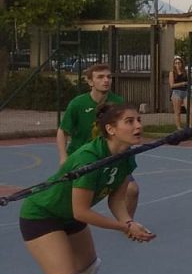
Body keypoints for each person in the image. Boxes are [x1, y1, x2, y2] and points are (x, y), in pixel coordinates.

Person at [18, 103, 155, 274]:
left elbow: (116, 198)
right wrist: (122, 227)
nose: (138, 126)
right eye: (130, 121)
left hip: (67, 215)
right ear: (111, 129)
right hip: (42, 215)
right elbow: (82, 211)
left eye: (139, 120)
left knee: (88, 268)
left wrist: (128, 221)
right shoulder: (88, 158)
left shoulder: (126, 156)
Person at [57, 63, 139, 218]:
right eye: (100, 77)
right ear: (90, 82)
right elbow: (62, 131)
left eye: (108, 77)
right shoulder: (78, 104)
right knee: (70, 199)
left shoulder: (118, 102)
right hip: (82, 159)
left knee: (132, 190)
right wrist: (63, 157)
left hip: (109, 158)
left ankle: (127, 224)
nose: (106, 80)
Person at [169, 56, 191, 128]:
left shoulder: (185, 72)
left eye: (179, 63)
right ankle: (179, 128)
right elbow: (172, 85)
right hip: (176, 92)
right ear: (174, 65)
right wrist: (182, 83)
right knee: (177, 112)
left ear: (182, 64)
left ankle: (190, 126)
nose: (178, 64)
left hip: (185, 92)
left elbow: (189, 81)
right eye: (176, 63)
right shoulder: (172, 73)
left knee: (191, 111)